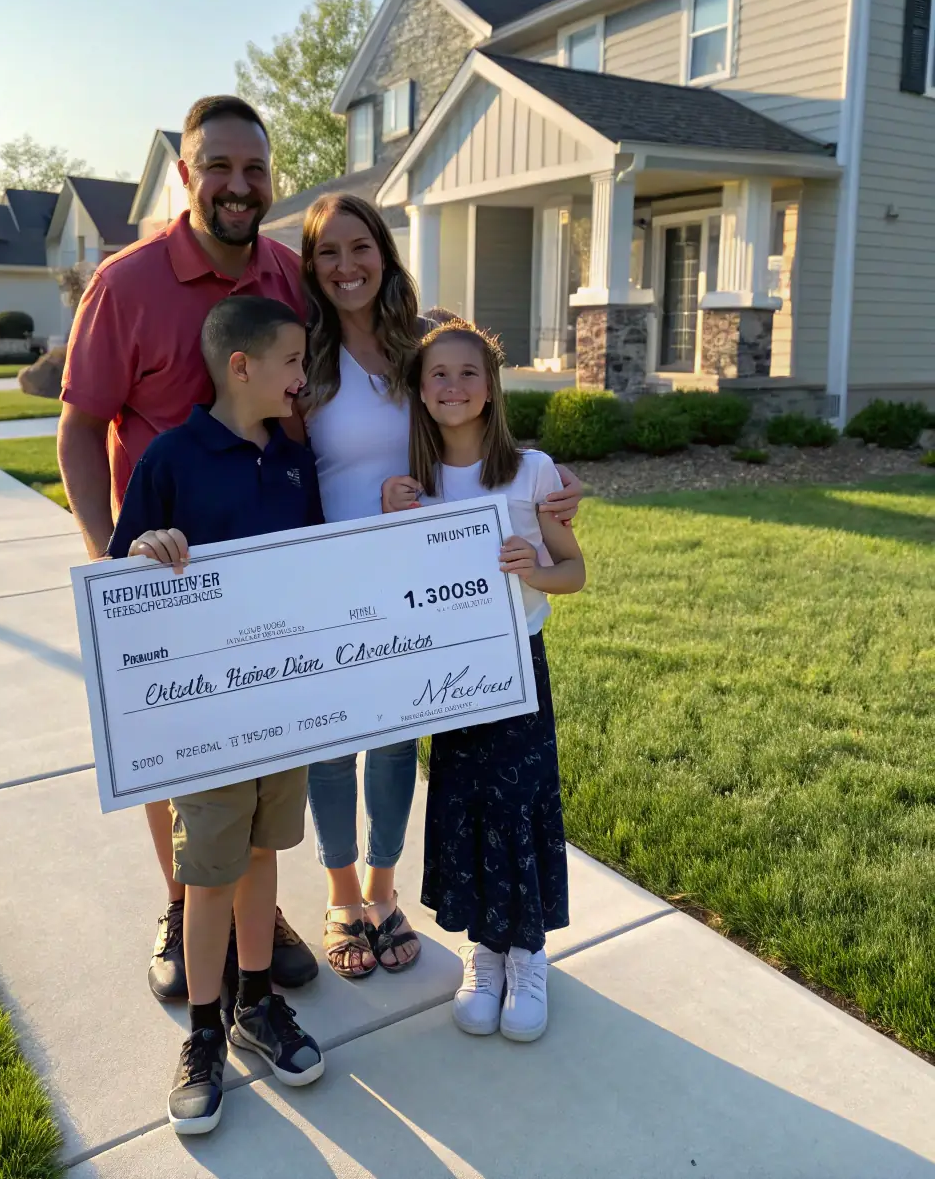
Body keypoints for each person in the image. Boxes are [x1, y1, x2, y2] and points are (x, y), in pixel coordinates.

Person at [58, 95, 317, 1002]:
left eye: (255, 169)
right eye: (219, 167)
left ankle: (254, 915)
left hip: (266, 574)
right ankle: (182, 902)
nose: (238, 186)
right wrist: (110, 562)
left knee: (263, 746)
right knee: (174, 750)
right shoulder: (126, 284)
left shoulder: (290, 277)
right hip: (164, 572)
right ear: (184, 176)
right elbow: (79, 429)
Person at [298, 192, 584, 980]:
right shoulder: (305, 355)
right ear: (311, 266)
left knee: (395, 740)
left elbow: (479, 408)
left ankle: (383, 893)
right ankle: (342, 897)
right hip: (334, 568)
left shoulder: (418, 341)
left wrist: (553, 482)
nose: (347, 265)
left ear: (385, 254)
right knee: (333, 743)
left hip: (421, 577)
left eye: (361, 247)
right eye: (328, 251)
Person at [108, 296, 325, 1135]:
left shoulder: (294, 462)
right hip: (207, 720)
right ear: (243, 366)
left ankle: (255, 1005)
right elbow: (123, 574)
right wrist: (145, 550)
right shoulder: (171, 459)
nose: (302, 377)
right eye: (293, 361)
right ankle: (204, 1029)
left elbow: (319, 567)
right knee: (206, 874)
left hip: (284, 705)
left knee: (264, 853)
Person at [389, 319, 586, 1043]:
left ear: (493, 386)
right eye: (438, 374)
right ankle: (485, 950)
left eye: (469, 372)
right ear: (419, 390)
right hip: (449, 673)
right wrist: (391, 518)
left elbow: (575, 572)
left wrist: (534, 569)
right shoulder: (411, 484)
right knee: (466, 799)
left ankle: (527, 952)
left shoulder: (533, 471)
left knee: (520, 803)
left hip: (518, 666)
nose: (453, 386)